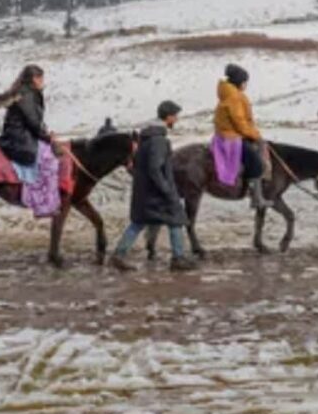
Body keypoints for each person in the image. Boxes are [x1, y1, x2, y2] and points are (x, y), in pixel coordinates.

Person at [111, 101, 194, 272]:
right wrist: (166, 189)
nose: (176, 120)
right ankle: (178, 258)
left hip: (144, 191)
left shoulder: (147, 138)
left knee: (139, 222)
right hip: (157, 192)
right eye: (175, 116)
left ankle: (119, 255)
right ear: (169, 117)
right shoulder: (159, 141)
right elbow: (155, 168)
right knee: (175, 219)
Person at [0, 65, 60, 217]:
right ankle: (42, 205)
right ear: (33, 79)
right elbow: (33, 121)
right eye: (40, 78)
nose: (42, 81)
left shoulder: (24, 92)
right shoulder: (28, 94)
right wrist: (47, 137)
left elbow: (35, 121)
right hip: (20, 137)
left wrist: (44, 132)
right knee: (49, 160)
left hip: (20, 133)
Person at [214, 63, 267, 209]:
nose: (246, 85)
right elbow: (240, 122)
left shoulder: (230, 94)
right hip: (231, 136)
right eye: (244, 82)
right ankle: (256, 198)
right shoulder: (234, 97)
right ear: (239, 82)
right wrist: (256, 136)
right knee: (256, 162)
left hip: (227, 133)